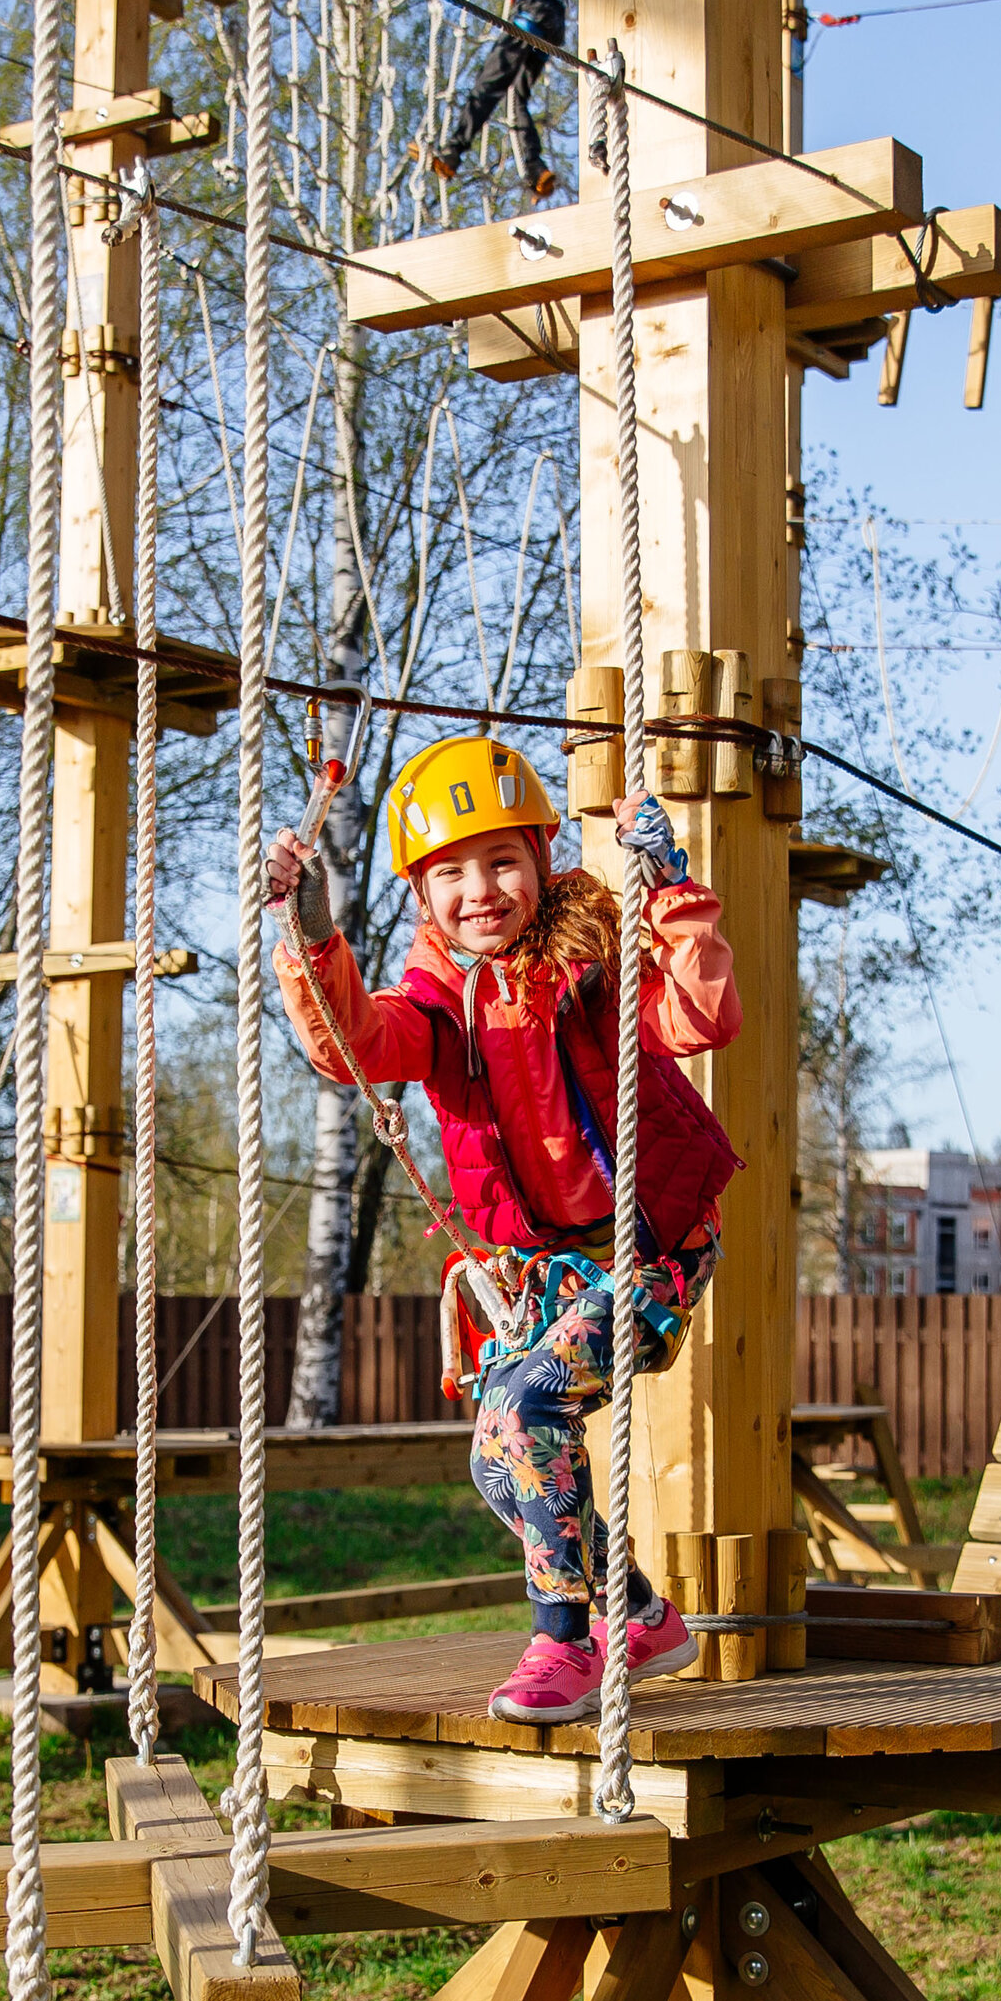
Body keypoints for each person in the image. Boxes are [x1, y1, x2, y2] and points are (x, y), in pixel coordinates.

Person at [265, 734, 743, 1724]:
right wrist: (313, 933)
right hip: (546, 1273)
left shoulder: (595, 964)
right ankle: (640, 1612)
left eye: (501, 862)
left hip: (645, 1253)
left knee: (527, 1405)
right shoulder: (442, 1010)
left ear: (539, 860)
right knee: (499, 1455)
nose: (479, 890)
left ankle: (562, 1640)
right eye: (450, 874)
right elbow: (355, 1040)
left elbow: (700, 1016)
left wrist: (671, 893)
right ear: (420, 895)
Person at [424, 0, 569, 202]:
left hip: (532, 10)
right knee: (516, 98)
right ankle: (536, 169)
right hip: (554, 22)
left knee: (489, 85)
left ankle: (452, 153)